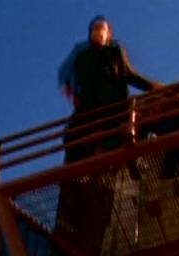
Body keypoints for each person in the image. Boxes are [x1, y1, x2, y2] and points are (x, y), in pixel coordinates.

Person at [58, 15, 162, 162]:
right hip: (91, 108)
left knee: (138, 116)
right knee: (71, 134)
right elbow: (65, 75)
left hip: (115, 105)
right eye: (95, 30)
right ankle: (73, 169)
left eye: (102, 30)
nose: (99, 33)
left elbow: (129, 74)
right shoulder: (82, 54)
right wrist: (70, 91)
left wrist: (152, 86)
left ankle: (138, 152)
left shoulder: (115, 50)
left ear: (108, 34)